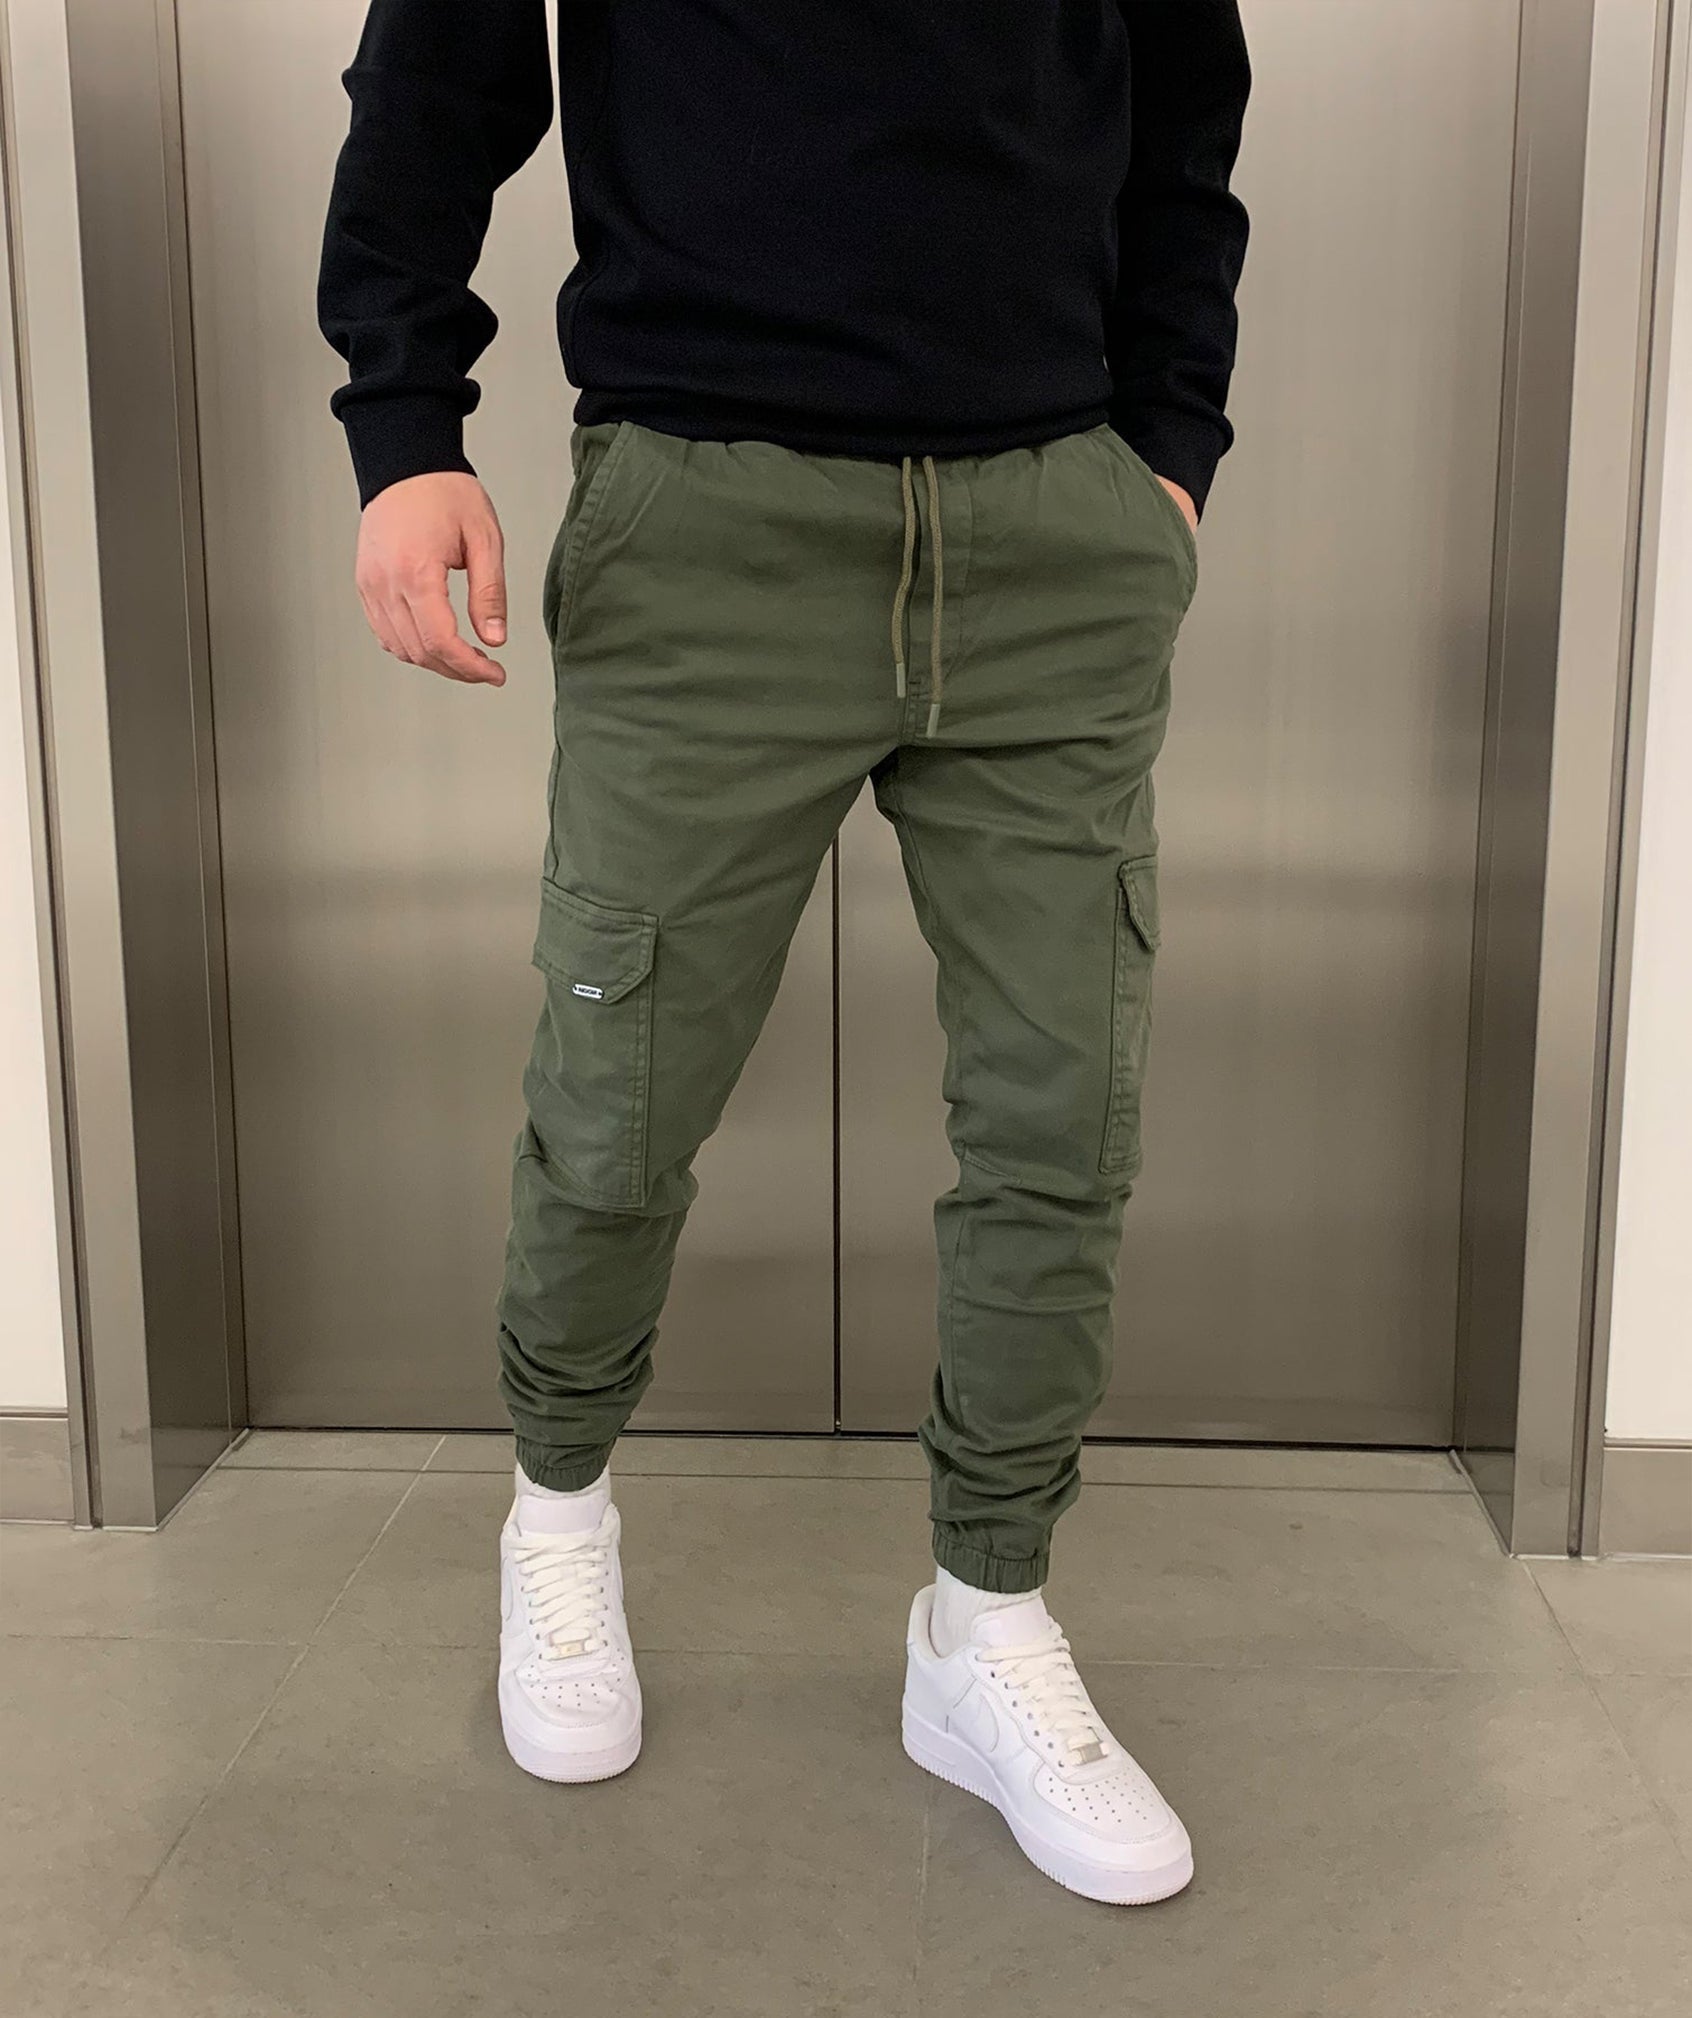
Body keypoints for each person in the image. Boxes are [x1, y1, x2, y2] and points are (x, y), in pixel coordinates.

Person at [319, 0, 1249, 1906]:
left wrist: (1168, 446)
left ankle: (985, 1619)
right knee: (620, 1092)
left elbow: (1184, 105)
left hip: (1050, 530)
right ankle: (557, 1513)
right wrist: (404, 421)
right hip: (707, 515)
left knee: (1063, 1115)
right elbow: (439, 65)